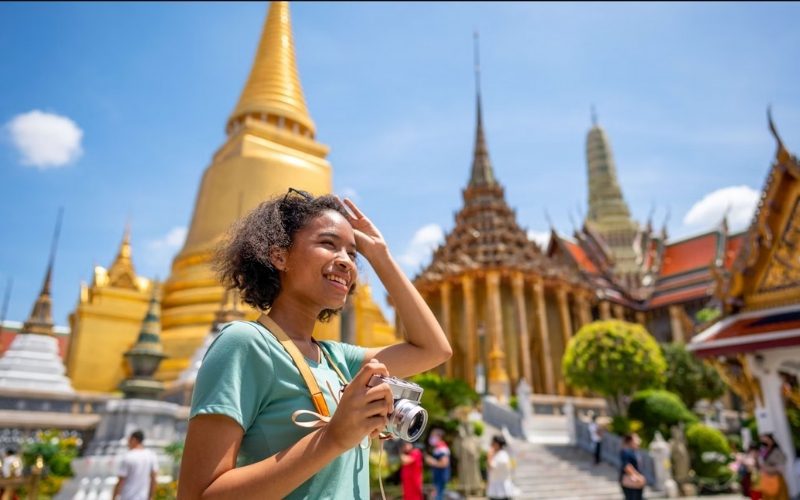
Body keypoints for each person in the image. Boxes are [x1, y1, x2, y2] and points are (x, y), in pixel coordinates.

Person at [177, 190, 452, 499]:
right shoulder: (245, 344)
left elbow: (434, 349)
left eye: (352, 253)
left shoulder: (337, 360)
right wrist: (333, 438)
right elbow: (197, 494)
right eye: (328, 244)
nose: (347, 262)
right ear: (279, 256)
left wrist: (380, 255)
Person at [112, 430, 159, 500]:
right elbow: (154, 479)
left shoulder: (128, 456)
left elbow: (121, 480)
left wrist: (114, 497)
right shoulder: (151, 456)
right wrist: (151, 496)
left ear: (134, 440)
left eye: (129, 440)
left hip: (127, 496)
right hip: (143, 497)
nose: (127, 443)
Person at [757, 433, 788, 500]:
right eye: (762, 442)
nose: (764, 443)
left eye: (766, 441)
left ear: (772, 441)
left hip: (776, 480)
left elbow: (781, 468)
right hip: (767, 481)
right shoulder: (763, 453)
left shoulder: (777, 452)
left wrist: (767, 468)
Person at [486, 435, 518, 500]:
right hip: (497, 488)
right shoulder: (499, 455)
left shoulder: (502, 456)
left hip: (501, 489)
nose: (491, 445)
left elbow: (491, 467)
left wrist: (489, 456)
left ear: (497, 444)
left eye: (493, 443)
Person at [425, 428, 451, 500]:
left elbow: (444, 463)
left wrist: (432, 461)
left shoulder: (442, 448)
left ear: (439, 437)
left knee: (438, 496)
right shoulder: (437, 448)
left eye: (433, 436)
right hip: (438, 476)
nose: (431, 438)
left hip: (441, 476)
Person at [619, 433, 646, 500]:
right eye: (636, 438)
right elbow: (626, 466)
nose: (639, 440)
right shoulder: (626, 451)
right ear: (631, 441)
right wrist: (638, 476)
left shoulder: (635, 451)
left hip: (636, 480)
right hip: (630, 480)